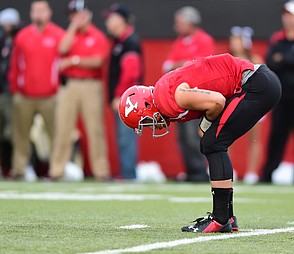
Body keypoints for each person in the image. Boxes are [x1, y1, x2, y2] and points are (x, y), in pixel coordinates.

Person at [118, 53, 281, 233]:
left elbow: (217, 101)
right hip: (259, 81)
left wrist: (205, 125)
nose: (152, 126)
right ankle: (227, 216)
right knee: (213, 142)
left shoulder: (169, 99)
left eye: (146, 122)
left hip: (255, 84)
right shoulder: (163, 91)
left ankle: (220, 218)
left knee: (213, 143)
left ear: (147, 106)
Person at [49, 0, 110, 181]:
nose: (77, 18)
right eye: (73, 15)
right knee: (63, 128)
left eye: (80, 14)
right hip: (69, 85)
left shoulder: (97, 35)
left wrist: (75, 60)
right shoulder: (69, 34)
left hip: (90, 85)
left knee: (95, 129)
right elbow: (62, 49)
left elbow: (98, 61)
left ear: (88, 15)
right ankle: (56, 171)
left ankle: (101, 170)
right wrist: (73, 27)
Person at [260, 0, 294, 184]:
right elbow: (271, 60)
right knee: (277, 134)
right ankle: (268, 173)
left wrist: (283, 58)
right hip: (281, 93)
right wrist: (287, 58)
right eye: (286, 15)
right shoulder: (277, 38)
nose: (288, 19)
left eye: (291, 15)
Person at [8, 0, 64, 179]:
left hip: (50, 95)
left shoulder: (58, 35)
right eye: (35, 10)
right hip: (25, 95)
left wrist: (59, 88)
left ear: (49, 12)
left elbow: (63, 64)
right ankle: (19, 170)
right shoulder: (22, 36)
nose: (38, 14)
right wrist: (15, 89)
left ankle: (56, 171)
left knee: (56, 135)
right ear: (31, 13)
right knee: (20, 136)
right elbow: (15, 63)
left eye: (42, 10)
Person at [162, 6, 215, 182]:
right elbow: (168, 65)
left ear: (190, 22)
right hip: (180, 95)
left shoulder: (204, 39)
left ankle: (200, 170)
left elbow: (202, 66)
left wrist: (181, 65)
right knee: (182, 136)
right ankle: (191, 170)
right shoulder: (180, 42)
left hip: (197, 94)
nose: (176, 26)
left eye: (180, 22)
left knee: (194, 134)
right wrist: (184, 64)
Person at [103, 3, 143, 180]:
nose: (108, 23)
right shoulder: (121, 42)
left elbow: (131, 72)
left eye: (111, 19)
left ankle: (128, 175)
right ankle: (127, 173)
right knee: (123, 137)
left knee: (125, 138)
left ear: (122, 21)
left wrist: (120, 95)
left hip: (127, 100)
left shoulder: (130, 42)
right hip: (126, 98)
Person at [228, 26, 265, 184]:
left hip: (254, 103)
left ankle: (252, 173)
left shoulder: (256, 60)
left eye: (237, 39)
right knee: (227, 137)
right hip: (234, 103)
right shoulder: (228, 60)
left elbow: (264, 83)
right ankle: (228, 170)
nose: (234, 42)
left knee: (254, 138)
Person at [0, 8, 21, 178]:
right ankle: (6, 167)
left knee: (12, 132)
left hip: (12, 92)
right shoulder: (4, 40)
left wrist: (15, 87)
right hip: (4, 91)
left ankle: (17, 166)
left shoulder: (19, 39)